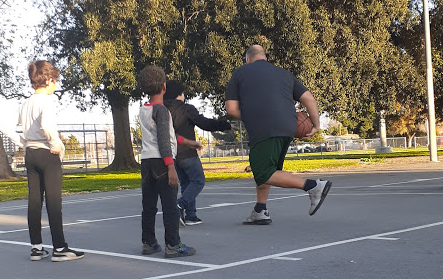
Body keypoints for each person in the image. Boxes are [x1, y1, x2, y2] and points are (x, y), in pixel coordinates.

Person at [225, 45, 332, 225]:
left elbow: (231, 109)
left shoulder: (240, 72)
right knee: (268, 169)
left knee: (263, 172)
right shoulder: (284, 74)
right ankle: (260, 210)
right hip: (289, 126)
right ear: (264, 57)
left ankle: (313, 186)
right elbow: (309, 99)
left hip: (264, 127)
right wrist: (316, 125)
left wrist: (252, 117)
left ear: (248, 59)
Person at [4, 60, 84, 261]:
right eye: (55, 80)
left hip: (31, 154)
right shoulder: (47, 101)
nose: (55, 84)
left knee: (35, 201)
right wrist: (56, 143)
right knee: (54, 201)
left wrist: (24, 143)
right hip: (48, 153)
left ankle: (36, 247)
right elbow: (47, 126)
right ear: (48, 80)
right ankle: (60, 248)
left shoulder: (26, 103)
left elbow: (8, 127)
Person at [137, 65, 202, 257]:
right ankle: (173, 244)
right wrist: (171, 167)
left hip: (146, 161)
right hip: (162, 162)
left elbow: (168, 134)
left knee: (149, 206)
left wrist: (188, 142)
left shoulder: (144, 109)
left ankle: (148, 242)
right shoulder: (162, 110)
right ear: (164, 87)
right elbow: (164, 140)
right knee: (170, 205)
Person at [164, 80, 232, 226]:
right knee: (198, 180)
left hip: (173, 153)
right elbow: (204, 123)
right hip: (187, 152)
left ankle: (190, 215)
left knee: (186, 183)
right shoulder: (186, 109)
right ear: (179, 94)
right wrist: (224, 125)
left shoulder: (163, 110)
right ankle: (180, 205)